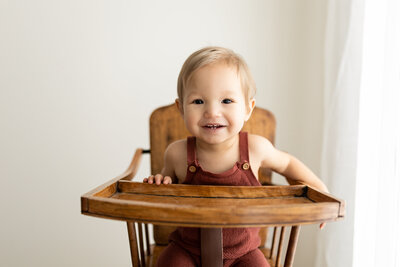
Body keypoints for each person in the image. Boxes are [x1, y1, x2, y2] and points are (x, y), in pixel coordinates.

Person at [143, 46, 328, 267]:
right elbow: (165, 188)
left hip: (244, 251)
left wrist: (319, 190)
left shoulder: (255, 149)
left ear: (248, 109)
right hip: (187, 249)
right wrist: (160, 183)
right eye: (198, 101)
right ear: (181, 108)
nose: (212, 112)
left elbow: (287, 163)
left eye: (227, 101)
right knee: (168, 263)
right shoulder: (177, 153)